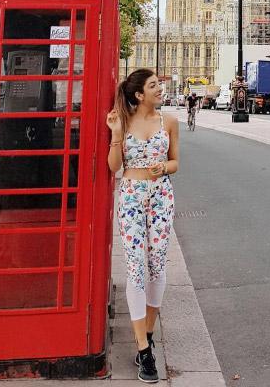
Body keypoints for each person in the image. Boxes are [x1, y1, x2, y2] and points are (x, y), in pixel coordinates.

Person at [107, 69, 179, 384]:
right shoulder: (123, 120)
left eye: (159, 84)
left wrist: (165, 166)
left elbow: (176, 162)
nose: (160, 88)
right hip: (133, 196)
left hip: (162, 196)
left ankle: (147, 333)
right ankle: (143, 349)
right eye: (153, 85)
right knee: (136, 268)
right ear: (139, 94)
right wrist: (115, 135)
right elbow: (114, 167)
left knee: (158, 266)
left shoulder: (170, 122)